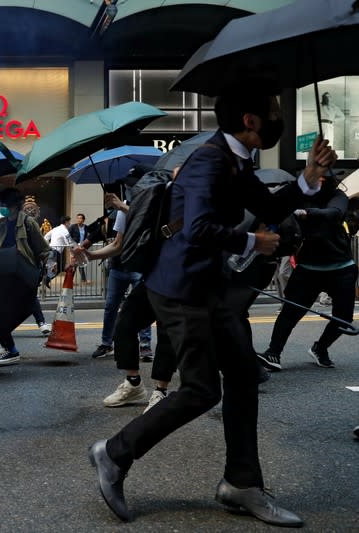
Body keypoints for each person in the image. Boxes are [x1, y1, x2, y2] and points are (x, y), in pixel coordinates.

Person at [88, 84, 337, 526]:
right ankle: (114, 453)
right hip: (182, 290)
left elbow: (270, 205)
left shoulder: (236, 160)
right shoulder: (209, 160)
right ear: (250, 120)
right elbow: (197, 229)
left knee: (242, 375)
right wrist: (252, 241)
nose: (278, 114)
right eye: (274, 107)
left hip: (208, 287)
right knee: (202, 390)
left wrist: (308, 179)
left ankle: (241, 483)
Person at [256, 176, 357, 371]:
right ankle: (273, 353)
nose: (319, 181)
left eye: (323, 178)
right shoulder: (299, 196)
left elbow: (334, 213)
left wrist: (304, 213)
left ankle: (321, 348)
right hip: (308, 268)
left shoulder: (338, 197)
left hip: (341, 267)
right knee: (290, 312)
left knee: (343, 318)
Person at [0, 187, 52, 365]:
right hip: (3, 274)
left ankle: (10, 348)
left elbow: (43, 249)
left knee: (1, 312)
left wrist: (50, 266)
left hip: (21, 274)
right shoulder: (1, 223)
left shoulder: (28, 223)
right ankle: (9, 347)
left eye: (3, 204)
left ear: (13, 206)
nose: (0, 207)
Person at [85, 193, 153, 362]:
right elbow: (117, 244)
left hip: (138, 266)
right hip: (119, 266)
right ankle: (107, 343)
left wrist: (122, 207)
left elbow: (147, 219)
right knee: (110, 306)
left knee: (142, 306)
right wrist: (87, 253)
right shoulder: (120, 210)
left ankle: (145, 345)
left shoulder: (147, 203)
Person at [69, 213, 91, 283]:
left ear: (83, 220)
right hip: (74, 247)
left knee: (80, 263)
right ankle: (73, 280)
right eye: (77, 218)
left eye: (80, 218)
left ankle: (82, 280)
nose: (79, 219)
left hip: (82, 247)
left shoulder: (86, 227)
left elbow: (88, 237)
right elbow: (69, 237)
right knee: (76, 263)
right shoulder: (73, 227)